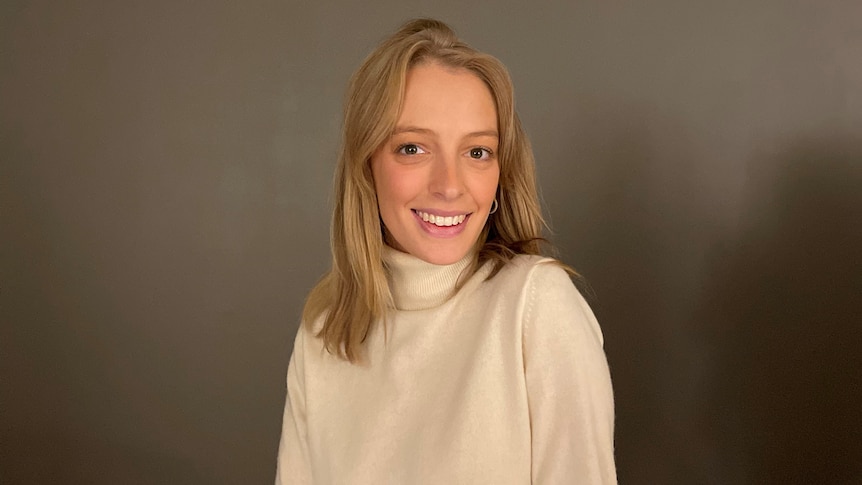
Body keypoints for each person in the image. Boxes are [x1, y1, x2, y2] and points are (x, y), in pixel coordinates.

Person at [276, 18, 616, 484]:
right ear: (366, 165)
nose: (450, 187)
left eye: (477, 152)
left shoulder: (535, 308)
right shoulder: (322, 330)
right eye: (413, 148)